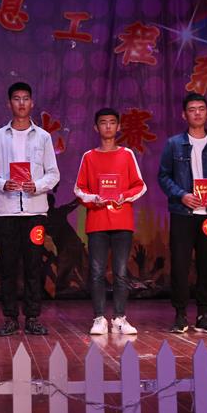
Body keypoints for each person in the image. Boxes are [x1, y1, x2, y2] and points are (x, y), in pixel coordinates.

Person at [0, 82, 60, 336]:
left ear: (32, 103)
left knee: (34, 266)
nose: (22, 103)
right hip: (6, 212)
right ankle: (10, 318)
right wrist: (3, 183)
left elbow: (53, 174)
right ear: (9, 104)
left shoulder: (43, 137)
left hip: (35, 212)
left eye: (26, 98)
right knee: (8, 267)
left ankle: (33, 317)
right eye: (17, 98)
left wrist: (36, 186)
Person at [157, 93, 207, 334]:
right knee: (180, 264)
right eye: (192, 109)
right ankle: (180, 315)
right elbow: (163, 176)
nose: (197, 113)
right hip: (183, 213)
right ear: (184, 114)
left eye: (201, 108)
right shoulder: (173, 144)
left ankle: (203, 314)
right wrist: (181, 195)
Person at [73, 108, 147, 335]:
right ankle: (99, 318)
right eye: (103, 122)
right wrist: (95, 198)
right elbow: (79, 189)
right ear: (96, 127)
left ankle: (119, 318)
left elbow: (140, 186)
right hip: (97, 222)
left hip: (122, 222)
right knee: (97, 272)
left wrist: (124, 195)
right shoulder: (88, 156)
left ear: (118, 127)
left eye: (112, 122)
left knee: (121, 272)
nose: (108, 126)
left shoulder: (127, 154)